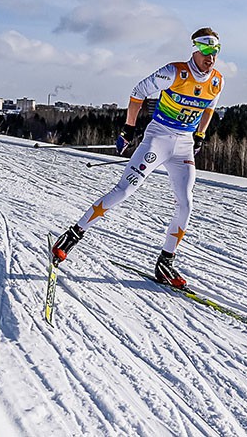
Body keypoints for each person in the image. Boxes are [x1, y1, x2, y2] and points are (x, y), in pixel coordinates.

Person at [50, 27, 223, 289]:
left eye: (216, 51)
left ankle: (165, 263)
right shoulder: (175, 72)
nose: (211, 57)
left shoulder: (217, 80)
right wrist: (128, 129)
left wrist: (200, 134)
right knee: (124, 190)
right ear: (196, 50)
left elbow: (210, 107)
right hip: (159, 138)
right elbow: (138, 91)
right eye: (207, 50)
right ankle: (72, 235)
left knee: (185, 203)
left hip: (184, 146)